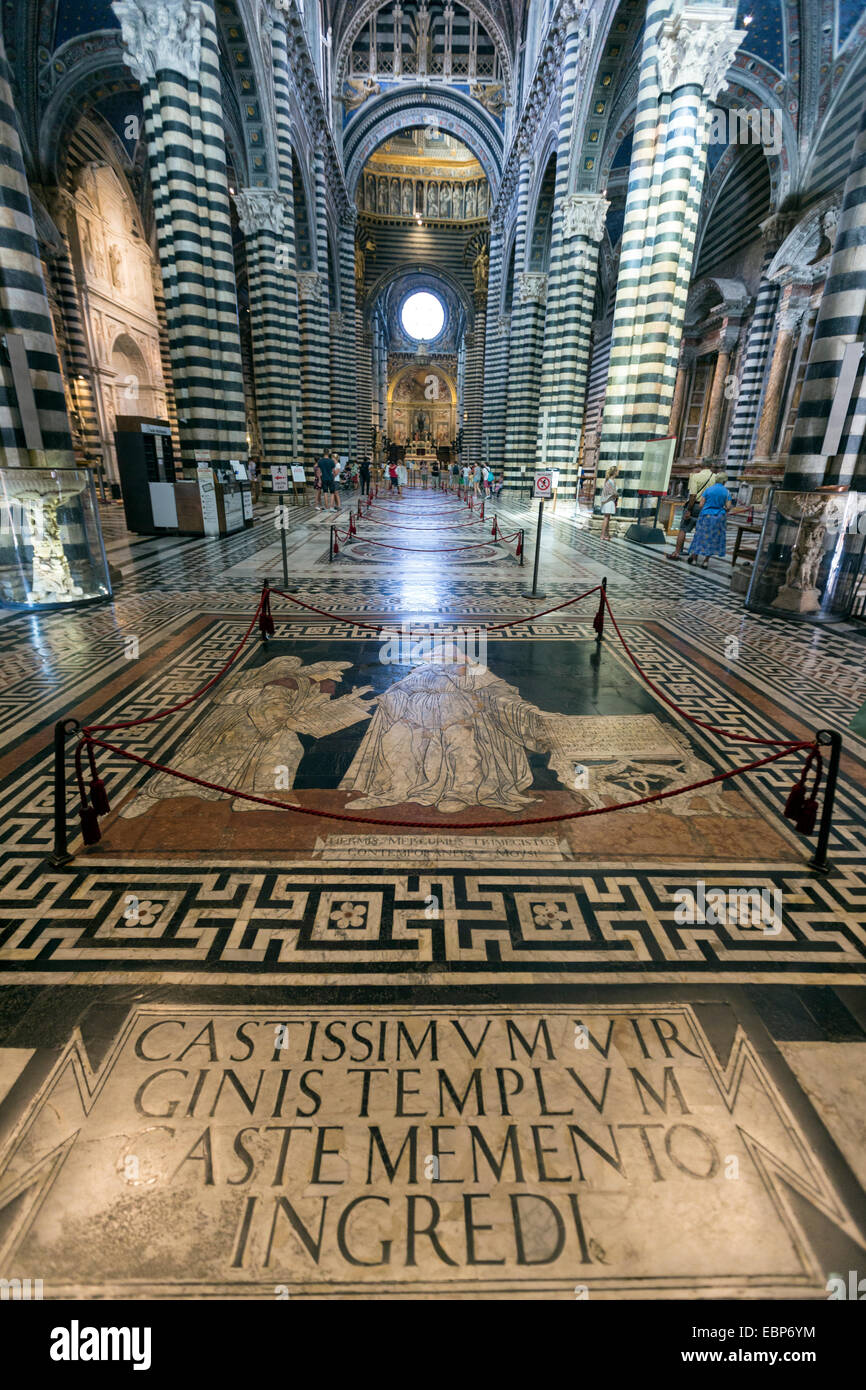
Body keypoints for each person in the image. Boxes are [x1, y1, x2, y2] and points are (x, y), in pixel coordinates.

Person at [665, 464, 717, 561]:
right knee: (700, 531)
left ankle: (676, 553)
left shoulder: (695, 476)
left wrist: (689, 510)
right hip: (707, 507)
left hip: (695, 505)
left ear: (701, 466)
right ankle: (694, 555)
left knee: (683, 529)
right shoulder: (715, 477)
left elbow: (693, 495)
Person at [687, 474, 732, 568]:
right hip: (719, 517)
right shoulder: (727, 492)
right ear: (724, 482)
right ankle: (706, 561)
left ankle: (694, 559)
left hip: (706, 516)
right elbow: (728, 507)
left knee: (699, 536)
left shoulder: (708, 490)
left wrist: (708, 508)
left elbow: (701, 505)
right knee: (712, 538)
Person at [599, 465, 620, 540]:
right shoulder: (610, 481)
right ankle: (602, 535)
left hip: (609, 501)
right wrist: (617, 494)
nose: (618, 472)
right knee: (606, 518)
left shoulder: (611, 481)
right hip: (608, 502)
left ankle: (606, 534)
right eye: (617, 471)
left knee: (608, 518)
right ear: (614, 472)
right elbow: (612, 492)